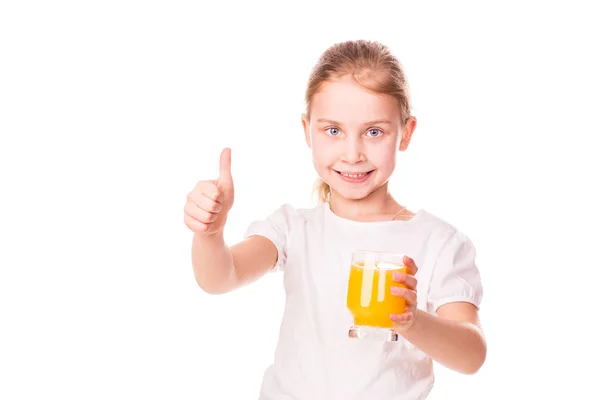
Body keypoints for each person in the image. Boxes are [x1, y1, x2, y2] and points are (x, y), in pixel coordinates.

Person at [183, 39, 486, 400]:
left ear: (405, 133)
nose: (353, 153)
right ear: (307, 130)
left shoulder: (438, 242)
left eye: (374, 132)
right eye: (333, 131)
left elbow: (472, 356)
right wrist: (210, 233)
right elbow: (220, 277)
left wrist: (413, 321)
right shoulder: (293, 228)